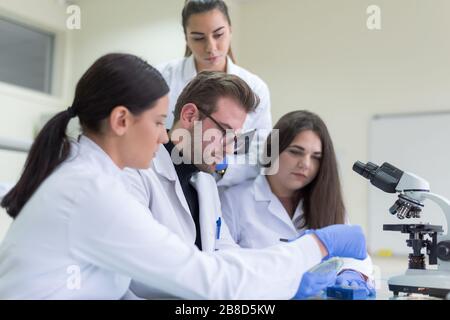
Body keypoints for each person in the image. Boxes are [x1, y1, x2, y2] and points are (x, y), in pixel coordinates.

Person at [0, 54, 366, 300]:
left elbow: (221, 256)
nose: (163, 136)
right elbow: (202, 277)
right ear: (121, 121)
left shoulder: (201, 181)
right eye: (159, 122)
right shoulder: (94, 189)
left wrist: (286, 278)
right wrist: (315, 246)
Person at [220, 111, 376, 296]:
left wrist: (352, 273)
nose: (306, 164)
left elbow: (355, 256)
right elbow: (226, 266)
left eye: (316, 157)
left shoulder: (326, 201)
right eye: (295, 152)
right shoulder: (234, 200)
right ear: (272, 150)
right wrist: (281, 283)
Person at [158, 0, 271, 186]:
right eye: (198, 37)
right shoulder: (163, 78)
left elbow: (261, 155)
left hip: (222, 191)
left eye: (218, 34)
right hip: (168, 181)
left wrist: (219, 164)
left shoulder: (255, 88)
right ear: (186, 37)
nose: (211, 47)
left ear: (230, 30)